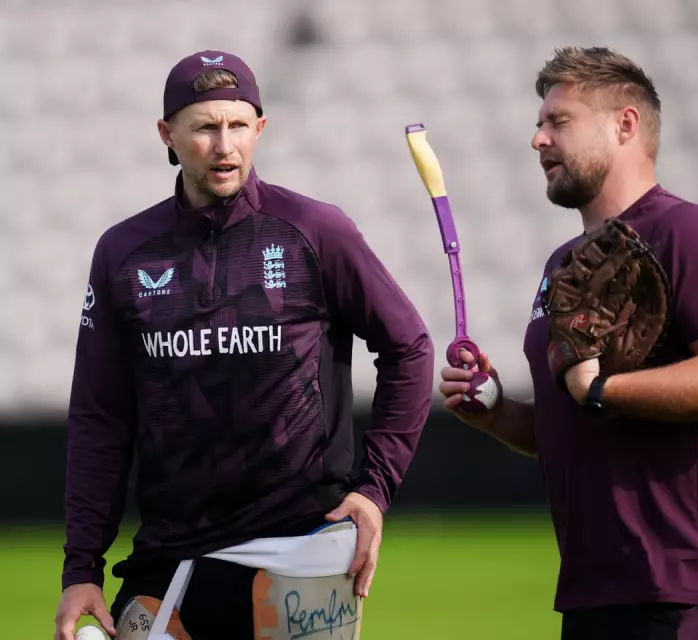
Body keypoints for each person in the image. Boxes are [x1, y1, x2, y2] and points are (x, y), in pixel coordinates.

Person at [54, 49, 435, 640]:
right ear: (168, 134)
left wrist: (374, 489)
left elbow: (408, 346)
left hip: (303, 543)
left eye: (238, 125)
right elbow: (100, 419)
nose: (224, 145)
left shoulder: (315, 230)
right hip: (171, 554)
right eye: (205, 127)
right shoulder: (123, 253)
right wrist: (81, 567)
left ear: (260, 128)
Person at [439, 46, 698, 640]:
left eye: (558, 122)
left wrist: (602, 388)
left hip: (677, 581)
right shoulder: (562, 264)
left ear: (625, 125)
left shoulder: (684, 232)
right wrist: (494, 414)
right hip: (596, 586)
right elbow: (568, 424)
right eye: (540, 123)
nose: (538, 139)